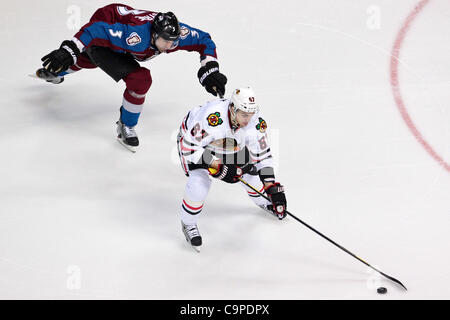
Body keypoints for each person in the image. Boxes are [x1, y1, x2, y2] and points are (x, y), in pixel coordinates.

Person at [36, 3, 227, 152]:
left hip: (121, 25)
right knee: (136, 77)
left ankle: (57, 72)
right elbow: (95, 31)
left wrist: (210, 70)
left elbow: (204, 40)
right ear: (154, 35)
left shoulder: (175, 35)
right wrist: (69, 48)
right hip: (107, 23)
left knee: (95, 60)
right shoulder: (134, 36)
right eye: (165, 41)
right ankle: (126, 125)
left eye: (173, 41)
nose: (170, 45)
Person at [176, 87, 287, 250]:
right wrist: (218, 166)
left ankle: (264, 201)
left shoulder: (256, 122)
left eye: (251, 114)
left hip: (228, 144)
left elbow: (262, 155)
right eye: (244, 114)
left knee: (249, 173)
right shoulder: (211, 119)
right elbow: (189, 149)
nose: (248, 120)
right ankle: (188, 223)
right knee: (199, 185)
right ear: (232, 109)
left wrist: (271, 186)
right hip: (196, 145)